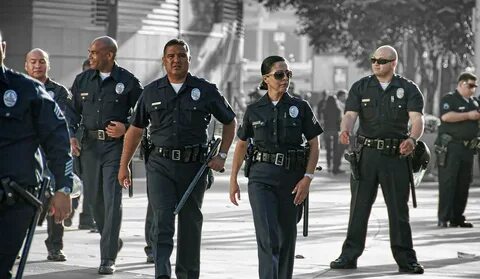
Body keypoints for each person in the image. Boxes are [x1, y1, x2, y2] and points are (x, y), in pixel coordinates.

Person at [118, 38, 236, 279]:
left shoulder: (205, 90)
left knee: (190, 223)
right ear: (164, 61)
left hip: (194, 167)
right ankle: (162, 273)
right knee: (161, 221)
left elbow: (230, 121)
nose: (176, 60)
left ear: (189, 60)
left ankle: (188, 275)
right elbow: (135, 130)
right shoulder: (151, 91)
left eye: (181, 55)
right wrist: (124, 166)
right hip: (160, 165)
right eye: (171, 56)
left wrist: (222, 155)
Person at [330, 45, 425, 274]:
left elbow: (416, 119)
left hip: (396, 156)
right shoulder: (361, 86)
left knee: (398, 210)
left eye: (381, 60)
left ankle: (406, 259)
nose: (376, 63)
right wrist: (345, 130)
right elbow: (350, 115)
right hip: (366, 156)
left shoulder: (408, 88)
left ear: (393, 63)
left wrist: (412, 140)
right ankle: (349, 255)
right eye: (373, 59)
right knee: (359, 208)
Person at [229, 55, 322, 279]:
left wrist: (307, 178)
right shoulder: (254, 110)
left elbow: (314, 144)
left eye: (288, 74)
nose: (285, 79)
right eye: (279, 75)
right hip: (261, 180)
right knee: (268, 238)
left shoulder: (300, 107)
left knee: (286, 240)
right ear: (266, 79)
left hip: (291, 180)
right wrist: (233, 180)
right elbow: (241, 144)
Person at [66, 36, 143, 274]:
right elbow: (71, 112)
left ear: (109, 55)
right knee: (93, 200)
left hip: (114, 148)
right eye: (90, 52)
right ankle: (111, 240)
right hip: (89, 147)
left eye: (94, 53)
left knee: (112, 199)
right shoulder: (82, 80)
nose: (90, 57)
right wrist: (72, 136)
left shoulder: (128, 82)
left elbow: (144, 113)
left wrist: (126, 126)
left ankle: (107, 257)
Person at [0, 30, 72, 279]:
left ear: (4, 48)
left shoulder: (28, 90)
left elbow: (58, 141)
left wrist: (64, 188)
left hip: (15, 200)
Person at [24, 48, 71, 261]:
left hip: (50, 154)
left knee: (56, 198)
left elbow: (60, 122)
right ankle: (15, 245)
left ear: (48, 65)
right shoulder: (20, 89)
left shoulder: (60, 92)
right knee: (24, 203)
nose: (37, 65)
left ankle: (55, 246)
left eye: (41, 61)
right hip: (26, 154)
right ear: (26, 65)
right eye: (32, 62)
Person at [436, 72, 480, 228]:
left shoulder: (474, 103)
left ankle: (457, 217)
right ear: (461, 84)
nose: (473, 89)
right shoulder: (449, 99)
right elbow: (446, 117)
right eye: (470, 85)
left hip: (467, 148)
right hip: (451, 147)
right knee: (448, 183)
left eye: (475, 86)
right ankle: (444, 217)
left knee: (463, 184)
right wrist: (468, 115)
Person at [322, 90, 347, 174]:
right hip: (335, 132)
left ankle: (329, 165)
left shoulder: (324, 110)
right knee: (336, 150)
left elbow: (322, 121)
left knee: (328, 150)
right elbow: (340, 121)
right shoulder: (338, 110)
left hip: (327, 131)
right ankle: (335, 167)